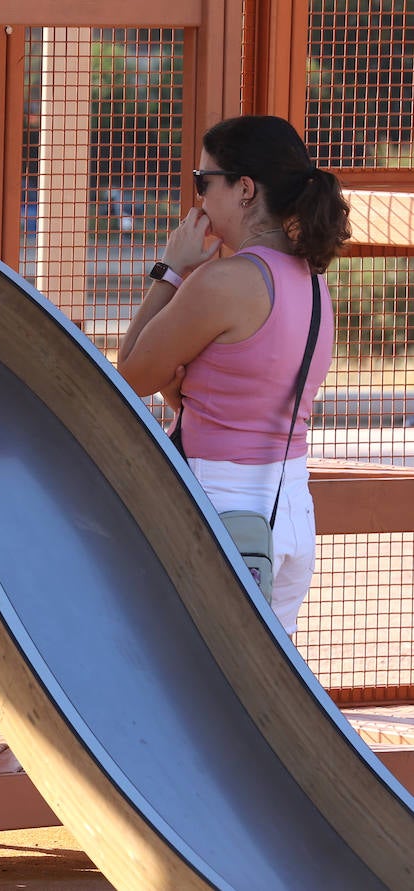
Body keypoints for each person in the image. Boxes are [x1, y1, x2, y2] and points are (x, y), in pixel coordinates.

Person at [117, 115, 350, 636]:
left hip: (221, 507)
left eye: (205, 182)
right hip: (287, 509)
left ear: (244, 189)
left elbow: (129, 372)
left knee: (191, 683)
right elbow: (240, 399)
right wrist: (181, 392)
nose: (199, 199)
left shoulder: (226, 281)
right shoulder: (313, 285)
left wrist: (172, 269)